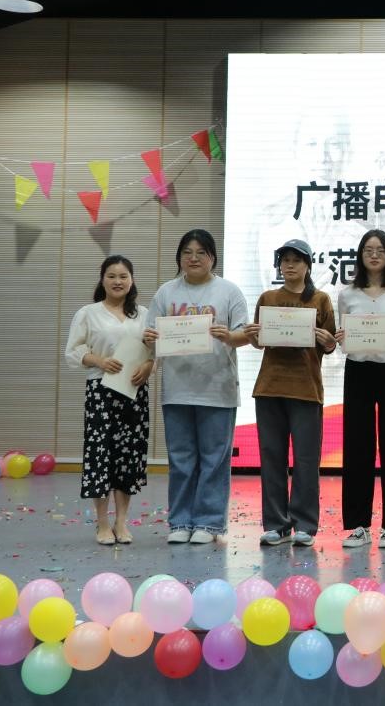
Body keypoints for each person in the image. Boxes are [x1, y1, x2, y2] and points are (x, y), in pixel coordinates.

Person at [145, 229, 250, 545]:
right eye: (187, 252)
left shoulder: (228, 291)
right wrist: (149, 338)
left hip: (218, 389)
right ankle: (180, 522)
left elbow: (245, 334)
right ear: (179, 258)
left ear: (212, 258)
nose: (193, 258)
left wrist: (229, 336)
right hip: (177, 389)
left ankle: (209, 523)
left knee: (214, 460)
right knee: (180, 459)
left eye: (200, 252)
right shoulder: (166, 293)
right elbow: (150, 336)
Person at [245, 239, 337, 547]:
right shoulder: (268, 298)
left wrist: (328, 341)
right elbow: (260, 341)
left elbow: (330, 343)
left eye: (296, 260)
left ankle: (305, 525)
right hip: (269, 387)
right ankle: (276, 524)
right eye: (285, 260)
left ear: (308, 265)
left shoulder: (321, 299)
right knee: (272, 457)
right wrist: (254, 337)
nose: (290, 265)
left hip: (306, 389)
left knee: (306, 460)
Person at [335, 229, 385, 550]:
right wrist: (342, 338)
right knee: (357, 446)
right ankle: (358, 524)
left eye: (380, 249)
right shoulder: (347, 294)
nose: (374, 254)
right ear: (360, 255)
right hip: (358, 370)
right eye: (368, 249)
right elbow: (343, 335)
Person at [65, 255, 153, 545]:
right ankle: (102, 524)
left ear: (132, 280)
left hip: (134, 392)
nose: (118, 281)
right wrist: (99, 361)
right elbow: (73, 351)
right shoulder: (88, 313)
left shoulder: (144, 314)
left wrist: (149, 366)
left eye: (123, 276)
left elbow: (155, 351)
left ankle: (121, 522)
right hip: (100, 391)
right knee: (100, 455)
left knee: (128, 456)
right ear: (102, 280)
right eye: (112, 276)